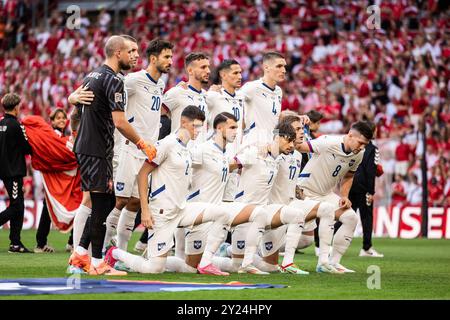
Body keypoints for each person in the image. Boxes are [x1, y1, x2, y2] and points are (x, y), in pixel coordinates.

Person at [67, 35, 157, 276]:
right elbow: (119, 122)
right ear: (118, 53)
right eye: (132, 51)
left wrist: (71, 98)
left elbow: (77, 106)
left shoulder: (93, 75)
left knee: (104, 202)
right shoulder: (114, 80)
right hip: (96, 149)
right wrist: (141, 143)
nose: (137, 55)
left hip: (90, 147)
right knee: (102, 203)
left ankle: (81, 254)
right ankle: (95, 262)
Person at [103, 106, 230, 275]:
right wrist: (145, 211)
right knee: (154, 269)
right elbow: (142, 175)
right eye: (196, 126)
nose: (198, 131)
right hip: (162, 213)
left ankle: (206, 262)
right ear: (183, 123)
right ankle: (115, 253)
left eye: (201, 127)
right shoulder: (166, 145)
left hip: (182, 209)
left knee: (222, 213)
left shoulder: (187, 148)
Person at [172, 112, 268, 275]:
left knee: (259, 213)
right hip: (200, 214)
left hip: (219, 210)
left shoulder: (227, 153)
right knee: (188, 268)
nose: (235, 131)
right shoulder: (202, 150)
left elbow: (232, 165)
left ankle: (246, 263)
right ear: (219, 128)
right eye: (232, 127)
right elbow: (177, 166)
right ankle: (145, 259)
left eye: (237, 128)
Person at [104, 39, 174, 252]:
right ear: (153, 59)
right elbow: (107, 91)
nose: (170, 61)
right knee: (120, 200)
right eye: (166, 57)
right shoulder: (133, 80)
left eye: (171, 57)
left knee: (135, 202)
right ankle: (101, 247)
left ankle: (121, 253)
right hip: (129, 148)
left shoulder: (160, 84)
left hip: (147, 151)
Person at [296, 121, 373, 273]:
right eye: (360, 143)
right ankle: (260, 250)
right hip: (305, 193)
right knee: (304, 241)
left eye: (365, 144)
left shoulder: (359, 154)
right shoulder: (328, 142)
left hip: (325, 195)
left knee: (351, 217)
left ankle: (331, 262)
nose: (362, 147)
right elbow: (299, 147)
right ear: (350, 135)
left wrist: (344, 195)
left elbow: (349, 176)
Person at [34, 108, 74, 253]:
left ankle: (43, 243)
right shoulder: (52, 137)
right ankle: (42, 243)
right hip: (54, 181)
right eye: (58, 118)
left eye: (63, 118)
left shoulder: (63, 136)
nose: (62, 120)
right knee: (69, 207)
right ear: (52, 121)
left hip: (61, 181)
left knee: (49, 209)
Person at [0, 93, 33, 253]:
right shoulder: (16, 125)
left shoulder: (0, 123)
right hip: (14, 172)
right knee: (17, 206)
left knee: (18, 206)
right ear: (16, 107)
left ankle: (15, 243)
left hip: (4, 171)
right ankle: (15, 242)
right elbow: (27, 148)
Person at [348, 123, 384, 258]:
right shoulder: (373, 149)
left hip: (351, 184)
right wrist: (371, 191)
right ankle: (366, 248)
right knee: (366, 217)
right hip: (364, 187)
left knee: (345, 215)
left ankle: (327, 244)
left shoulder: (353, 145)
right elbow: (370, 171)